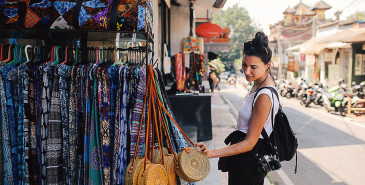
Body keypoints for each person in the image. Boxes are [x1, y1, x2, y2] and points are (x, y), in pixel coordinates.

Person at [195, 31, 278, 185]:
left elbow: (249, 142)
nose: (247, 71)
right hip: (242, 158)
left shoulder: (264, 96)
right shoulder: (259, 83)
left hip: (249, 162)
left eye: (254, 67)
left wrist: (212, 153)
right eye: (244, 64)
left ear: (267, 65)